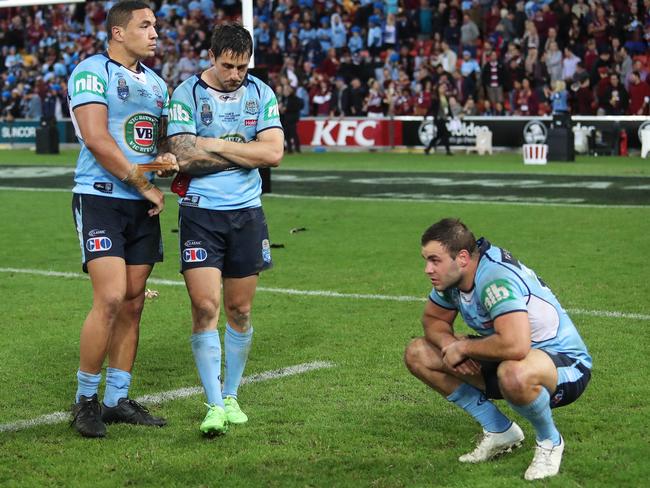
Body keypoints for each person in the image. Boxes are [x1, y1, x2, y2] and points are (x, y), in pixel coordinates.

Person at [404, 218, 592, 481]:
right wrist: (450, 346)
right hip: (510, 357)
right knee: (418, 353)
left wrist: (465, 347)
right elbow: (433, 321)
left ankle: (550, 441)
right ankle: (499, 430)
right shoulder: (455, 278)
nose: (428, 269)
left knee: (513, 372)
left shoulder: (494, 279)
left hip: (565, 365)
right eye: (426, 260)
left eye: (435, 260)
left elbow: (515, 345)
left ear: (462, 258)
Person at [67, 1, 178, 438]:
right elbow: (96, 138)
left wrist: (165, 159)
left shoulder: (156, 83)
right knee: (111, 297)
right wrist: (143, 183)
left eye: (155, 26)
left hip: (140, 204)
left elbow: (157, 144)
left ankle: (116, 399)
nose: (154, 33)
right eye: (145, 25)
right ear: (118, 32)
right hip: (101, 199)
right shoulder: (91, 71)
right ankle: (85, 400)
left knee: (133, 302)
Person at [166, 23, 283, 436]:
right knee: (204, 308)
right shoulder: (186, 94)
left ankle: (231, 395)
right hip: (201, 213)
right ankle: (213, 405)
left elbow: (273, 152)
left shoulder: (260, 92)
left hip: (247, 213)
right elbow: (183, 158)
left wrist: (212, 143)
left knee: (240, 310)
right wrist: (244, 154)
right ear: (211, 56)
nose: (236, 74)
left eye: (243, 66)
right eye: (228, 65)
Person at [424, 84, 452, 156]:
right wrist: (426, 115)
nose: (444, 89)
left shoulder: (445, 97)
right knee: (445, 134)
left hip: (443, 118)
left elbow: (448, 108)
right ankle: (448, 150)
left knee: (438, 136)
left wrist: (451, 116)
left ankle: (428, 149)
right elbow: (431, 107)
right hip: (439, 119)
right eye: (442, 87)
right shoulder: (436, 98)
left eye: (445, 87)